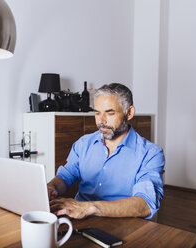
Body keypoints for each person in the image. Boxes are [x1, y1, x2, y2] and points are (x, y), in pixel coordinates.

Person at [48, 83, 165, 220]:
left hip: (122, 224)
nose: (101, 121)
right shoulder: (84, 143)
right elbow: (66, 176)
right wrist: (52, 187)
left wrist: (89, 208)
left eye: (110, 113)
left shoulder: (151, 154)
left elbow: (145, 204)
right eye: (97, 113)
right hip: (78, 218)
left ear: (129, 113)